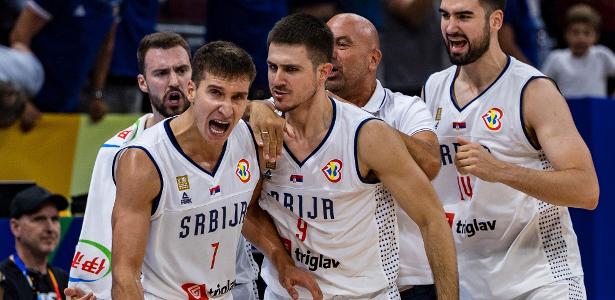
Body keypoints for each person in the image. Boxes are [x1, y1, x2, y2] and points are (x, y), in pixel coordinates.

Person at [246, 13, 458, 299]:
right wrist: (281, 262)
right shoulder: (259, 127)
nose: (278, 80)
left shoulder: (369, 134)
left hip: (364, 293)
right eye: (273, 67)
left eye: (292, 70)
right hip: (286, 293)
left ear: (323, 73)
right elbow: (244, 209)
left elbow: (433, 219)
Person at [110, 40, 319, 299]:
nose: (227, 108)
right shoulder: (144, 161)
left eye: (238, 97)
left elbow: (248, 213)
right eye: (216, 93)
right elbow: (124, 274)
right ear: (191, 90)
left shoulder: (248, 140)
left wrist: (282, 262)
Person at [424, 0, 599, 299]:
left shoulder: (534, 90)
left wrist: (499, 170)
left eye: (464, 16)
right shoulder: (434, 87)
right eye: (445, 15)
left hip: (541, 279)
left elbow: (586, 190)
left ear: (495, 21)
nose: (451, 27)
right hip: (469, 279)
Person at [65, 31, 193, 300]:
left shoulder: (221, 137)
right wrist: (89, 289)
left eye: (181, 70)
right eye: (161, 73)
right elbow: (98, 229)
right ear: (143, 83)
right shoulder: (118, 152)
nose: (174, 82)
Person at [326, 13, 440, 300]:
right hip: (340, 286)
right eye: (325, 45)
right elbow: (255, 108)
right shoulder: (307, 115)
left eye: (342, 44)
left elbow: (429, 163)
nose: (330, 54)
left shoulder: (404, 109)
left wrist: (360, 121)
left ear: (373, 59)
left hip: (411, 282)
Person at [9, 0, 118, 121]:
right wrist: (21, 100)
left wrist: (97, 95)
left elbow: (105, 49)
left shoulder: (110, 6)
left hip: (67, 102)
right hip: (33, 99)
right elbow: (19, 37)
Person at [0, 185, 69, 299]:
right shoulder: (4, 280)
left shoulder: (65, 281)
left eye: (55, 219)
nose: (50, 228)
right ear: (16, 227)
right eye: (40, 219)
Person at [541, 4, 615, 98]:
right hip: (565, 110)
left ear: (596, 36)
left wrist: (612, 101)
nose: (581, 38)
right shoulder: (556, 58)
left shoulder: (602, 55)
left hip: (597, 111)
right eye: (575, 32)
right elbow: (541, 85)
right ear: (566, 34)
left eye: (586, 33)